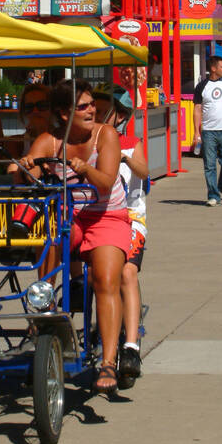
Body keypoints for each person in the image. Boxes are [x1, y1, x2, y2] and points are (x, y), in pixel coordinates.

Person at [19, 79, 128, 394]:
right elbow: (29, 175)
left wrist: (84, 168)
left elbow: (105, 183)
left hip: (107, 215)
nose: (92, 109)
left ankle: (109, 361)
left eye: (92, 103)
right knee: (50, 241)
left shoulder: (105, 135)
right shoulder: (50, 141)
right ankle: (43, 314)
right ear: (65, 114)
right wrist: (27, 167)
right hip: (71, 216)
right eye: (83, 106)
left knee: (106, 279)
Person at [94, 87, 147, 380]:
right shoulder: (88, 142)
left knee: (127, 272)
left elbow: (144, 172)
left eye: (105, 111)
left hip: (130, 218)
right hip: (97, 218)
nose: (97, 116)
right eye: (95, 110)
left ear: (121, 116)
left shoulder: (130, 142)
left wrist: (123, 158)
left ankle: (130, 346)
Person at [192, 56, 222, 206]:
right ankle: (213, 195)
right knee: (209, 165)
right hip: (208, 131)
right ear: (213, 69)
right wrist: (197, 132)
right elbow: (197, 109)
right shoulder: (202, 86)